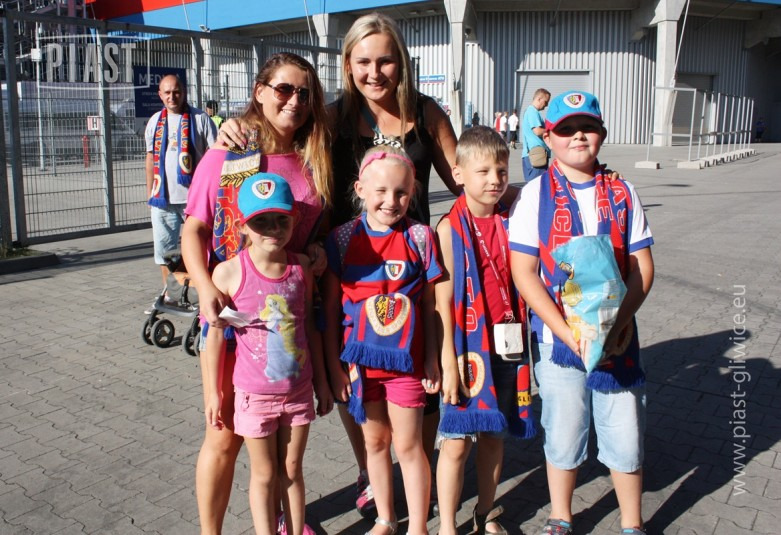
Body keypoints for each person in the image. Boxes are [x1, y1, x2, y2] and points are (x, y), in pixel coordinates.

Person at [218, 12, 463, 518]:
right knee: (358, 382)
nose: (375, 72)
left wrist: (501, 200)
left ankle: (414, 475)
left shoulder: (426, 113)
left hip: (410, 272)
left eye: (386, 61)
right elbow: (278, 135)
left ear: (402, 62)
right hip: (348, 271)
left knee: (418, 391)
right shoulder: (329, 118)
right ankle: (371, 473)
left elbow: (463, 179)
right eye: (363, 61)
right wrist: (236, 125)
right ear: (348, 64)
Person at [181, 52, 333, 535]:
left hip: (286, 317)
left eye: (305, 92)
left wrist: (318, 253)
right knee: (223, 435)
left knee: (286, 448)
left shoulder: (314, 157)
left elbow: (312, 232)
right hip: (233, 314)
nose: (295, 100)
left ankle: (287, 522)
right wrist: (205, 287)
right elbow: (194, 229)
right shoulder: (231, 154)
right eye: (284, 89)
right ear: (260, 91)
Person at [509, 91, 655, 535]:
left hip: (618, 340)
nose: (578, 136)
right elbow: (524, 272)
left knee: (625, 431)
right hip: (559, 342)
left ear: (602, 135)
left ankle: (632, 522)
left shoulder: (623, 191)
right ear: (548, 136)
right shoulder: (535, 195)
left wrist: (616, 325)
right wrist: (565, 332)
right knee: (564, 428)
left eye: (587, 127)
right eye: (566, 129)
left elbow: (643, 269)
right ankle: (561, 515)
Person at [323, 145, 442, 535]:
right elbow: (330, 311)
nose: (391, 201)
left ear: (413, 193)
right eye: (381, 191)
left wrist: (432, 359)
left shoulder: (421, 237)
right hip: (360, 367)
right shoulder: (341, 239)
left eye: (402, 192)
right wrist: (335, 368)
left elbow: (430, 306)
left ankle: (418, 526)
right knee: (375, 444)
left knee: (409, 446)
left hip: (406, 365)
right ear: (360, 189)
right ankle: (386, 519)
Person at [204, 172, 331, 535]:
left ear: (294, 219)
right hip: (254, 397)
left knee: (291, 470)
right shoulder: (228, 273)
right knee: (264, 474)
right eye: (261, 221)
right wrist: (213, 393)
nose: (273, 229)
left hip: (298, 393)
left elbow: (309, 328)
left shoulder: (301, 268)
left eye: (281, 219)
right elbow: (215, 336)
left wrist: (322, 383)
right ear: (243, 226)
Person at [434, 126, 536, 535]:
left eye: (501, 170)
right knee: (456, 442)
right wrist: (447, 361)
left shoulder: (514, 219)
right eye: (483, 172)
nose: (495, 180)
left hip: (508, 346)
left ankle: (485, 512)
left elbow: (544, 192)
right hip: (465, 350)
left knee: (494, 436)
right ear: (458, 174)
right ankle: (446, 525)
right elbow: (442, 301)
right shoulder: (448, 229)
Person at [145, 74, 216, 288]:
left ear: (184, 92)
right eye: (167, 92)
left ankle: (201, 290)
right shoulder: (155, 121)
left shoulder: (200, 118)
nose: (172, 97)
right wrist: (150, 193)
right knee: (164, 252)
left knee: (201, 248)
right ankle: (170, 292)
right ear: (160, 95)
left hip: (195, 200)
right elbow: (150, 158)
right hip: (163, 199)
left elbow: (215, 156)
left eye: (176, 92)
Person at [521, 88, 551, 182]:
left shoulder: (529, 111)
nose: (546, 105)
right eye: (545, 102)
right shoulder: (532, 112)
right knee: (538, 185)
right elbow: (537, 131)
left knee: (534, 184)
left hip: (533, 154)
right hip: (536, 155)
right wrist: (551, 131)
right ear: (539, 99)